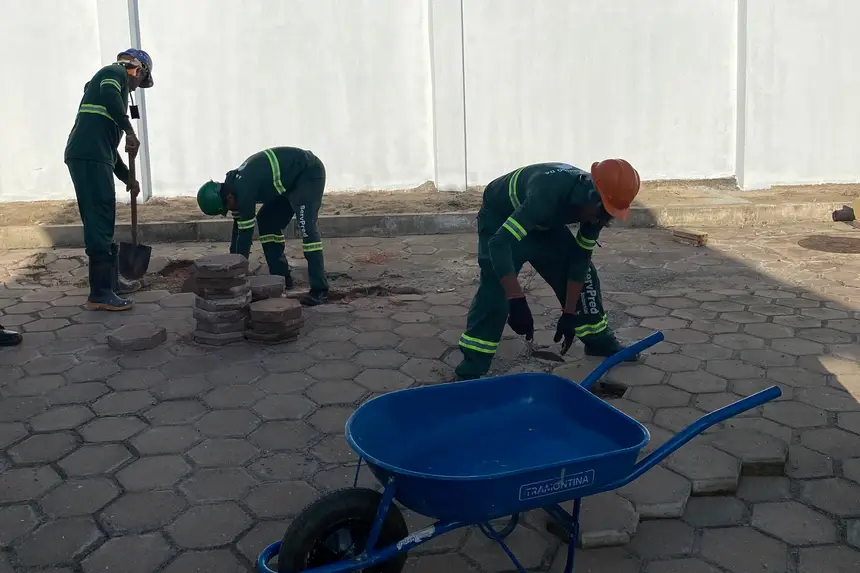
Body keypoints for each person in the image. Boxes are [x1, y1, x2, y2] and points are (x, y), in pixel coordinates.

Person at [454, 159, 642, 381]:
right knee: (497, 287)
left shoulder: (597, 208)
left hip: (544, 223)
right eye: (602, 212)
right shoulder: (547, 192)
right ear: (590, 195)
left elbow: (579, 260)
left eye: (609, 214)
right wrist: (516, 300)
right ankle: (472, 367)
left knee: (587, 278)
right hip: (501, 218)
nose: (600, 220)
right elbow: (499, 244)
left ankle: (597, 341)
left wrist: (570, 312)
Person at [64, 48, 154, 312]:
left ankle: (111, 283)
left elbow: (110, 150)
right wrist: (129, 130)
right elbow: (109, 93)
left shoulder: (112, 99)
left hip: (96, 156)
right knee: (99, 216)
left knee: (104, 214)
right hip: (88, 157)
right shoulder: (114, 73)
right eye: (140, 80)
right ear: (138, 70)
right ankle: (100, 293)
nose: (136, 87)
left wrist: (128, 178)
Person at [196, 147, 330, 306]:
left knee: (307, 228)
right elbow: (238, 230)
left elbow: (245, 238)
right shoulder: (233, 186)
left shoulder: (244, 190)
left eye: (227, 208)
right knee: (267, 222)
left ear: (229, 198)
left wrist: (235, 276)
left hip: (308, 174)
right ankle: (281, 278)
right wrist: (231, 264)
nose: (231, 211)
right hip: (289, 182)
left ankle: (320, 291)